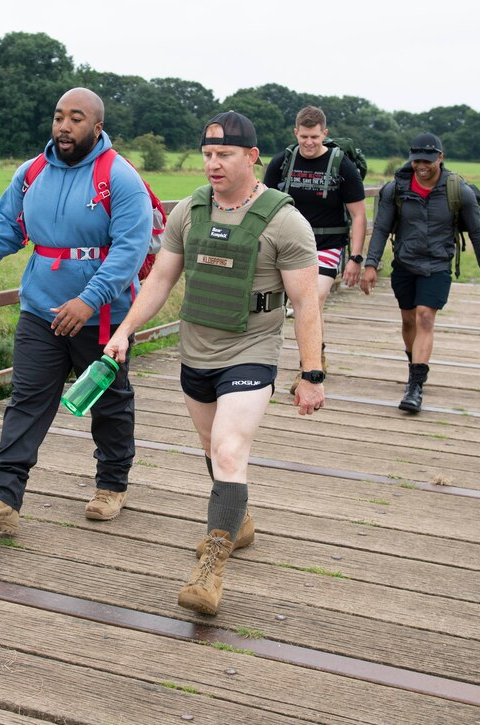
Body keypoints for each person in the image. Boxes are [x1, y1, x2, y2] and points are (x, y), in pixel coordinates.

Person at [105, 111, 325, 616]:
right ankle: (238, 516)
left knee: (229, 449)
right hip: (196, 349)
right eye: (207, 154)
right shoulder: (189, 212)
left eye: (224, 154)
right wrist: (122, 332)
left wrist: (310, 373)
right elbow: (160, 281)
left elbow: (307, 303)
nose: (213, 164)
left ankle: (211, 568)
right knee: (212, 448)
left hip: (252, 349)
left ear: (252, 157)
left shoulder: (285, 221)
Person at [0, 87, 153, 535]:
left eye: (76, 118)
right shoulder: (32, 171)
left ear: (96, 127)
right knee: (27, 400)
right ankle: (2, 498)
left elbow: (130, 251)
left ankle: (112, 485)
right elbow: (9, 227)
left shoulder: (119, 178)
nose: (64, 126)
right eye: (59, 116)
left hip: (104, 316)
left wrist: (89, 300)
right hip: (41, 309)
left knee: (110, 403)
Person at [360, 132, 480, 413]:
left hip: (437, 264)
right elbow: (382, 228)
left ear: (440, 157)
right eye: (416, 161)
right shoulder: (396, 189)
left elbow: (478, 232)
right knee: (409, 320)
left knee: (425, 317)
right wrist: (371, 264)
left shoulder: (458, 190)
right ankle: (415, 364)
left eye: (427, 160)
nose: (421, 165)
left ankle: (415, 385)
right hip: (405, 264)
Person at [262, 106, 367, 393]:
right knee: (298, 303)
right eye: (304, 136)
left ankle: (307, 369)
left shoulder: (341, 165)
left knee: (311, 297)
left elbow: (358, 215)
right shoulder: (282, 162)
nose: (309, 143)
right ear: (296, 132)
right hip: (287, 245)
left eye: (315, 137)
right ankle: (315, 354)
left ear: (325, 134)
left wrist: (355, 258)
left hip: (327, 245)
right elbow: (262, 204)